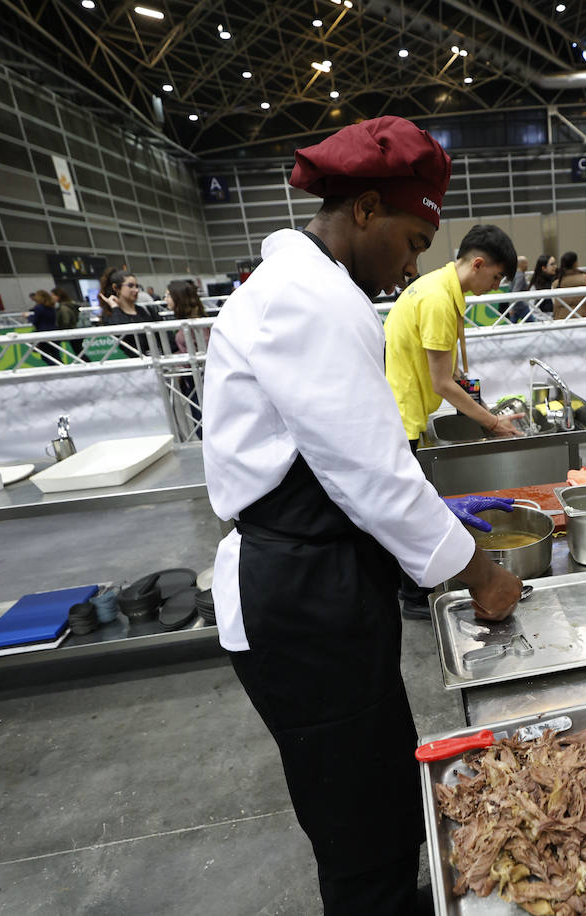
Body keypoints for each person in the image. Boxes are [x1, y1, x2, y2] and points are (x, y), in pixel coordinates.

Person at [201, 115, 523, 916]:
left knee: (375, 786)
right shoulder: (310, 300)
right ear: (368, 210)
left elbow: (357, 465)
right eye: (413, 240)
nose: (412, 264)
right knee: (357, 821)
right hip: (301, 595)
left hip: (322, 578)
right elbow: (374, 479)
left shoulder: (307, 287)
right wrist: (484, 578)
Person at [384, 224, 521, 615]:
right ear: (477, 263)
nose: (494, 288)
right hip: (402, 416)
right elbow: (442, 383)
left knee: (408, 507)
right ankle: (412, 599)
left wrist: (482, 406)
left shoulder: (437, 289)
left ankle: (406, 590)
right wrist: (491, 422)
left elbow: (447, 373)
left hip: (401, 411)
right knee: (414, 512)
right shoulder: (439, 300)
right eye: (495, 277)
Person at [166, 279, 208, 438]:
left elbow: (202, 350)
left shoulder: (196, 323)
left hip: (200, 380)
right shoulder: (187, 320)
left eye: (168, 295)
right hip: (192, 379)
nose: (166, 299)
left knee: (202, 423)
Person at [99, 269, 158, 355]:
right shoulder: (111, 315)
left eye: (136, 286)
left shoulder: (145, 310)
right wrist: (115, 307)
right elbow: (122, 334)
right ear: (116, 288)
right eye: (130, 286)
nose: (136, 290)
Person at [553, 250, 586, 318]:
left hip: (561, 320)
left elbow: (554, 302)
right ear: (575, 263)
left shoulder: (556, 283)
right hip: (582, 319)